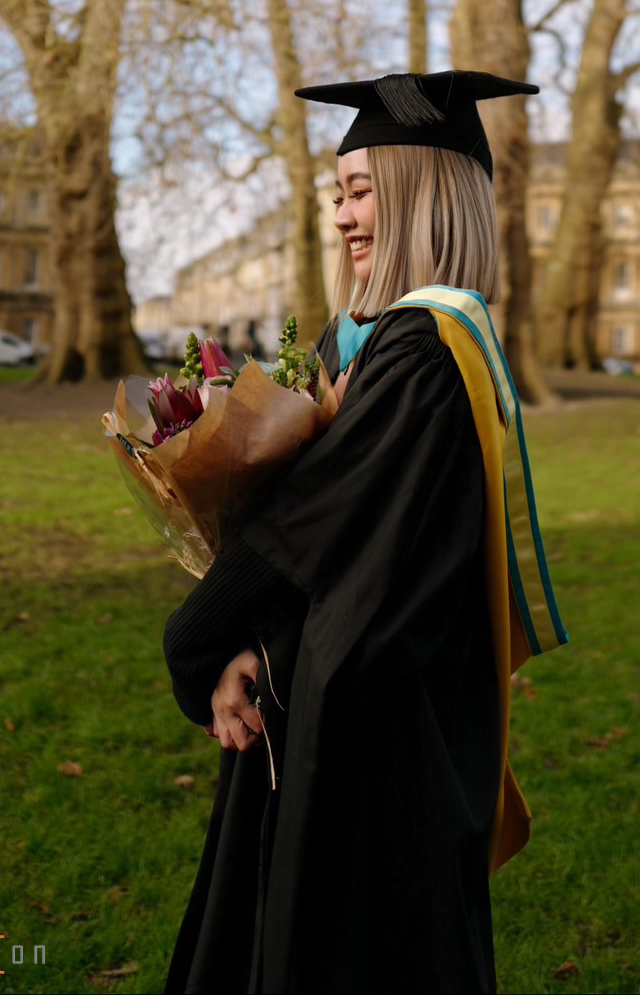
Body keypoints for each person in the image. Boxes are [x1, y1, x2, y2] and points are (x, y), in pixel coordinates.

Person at [162, 71, 566, 995]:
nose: (342, 217)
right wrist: (249, 644)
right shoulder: (382, 341)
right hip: (332, 702)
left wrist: (200, 639)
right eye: (336, 196)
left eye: (361, 192)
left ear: (426, 193)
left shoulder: (423, 352)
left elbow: (311, 528)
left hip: (369, 737)